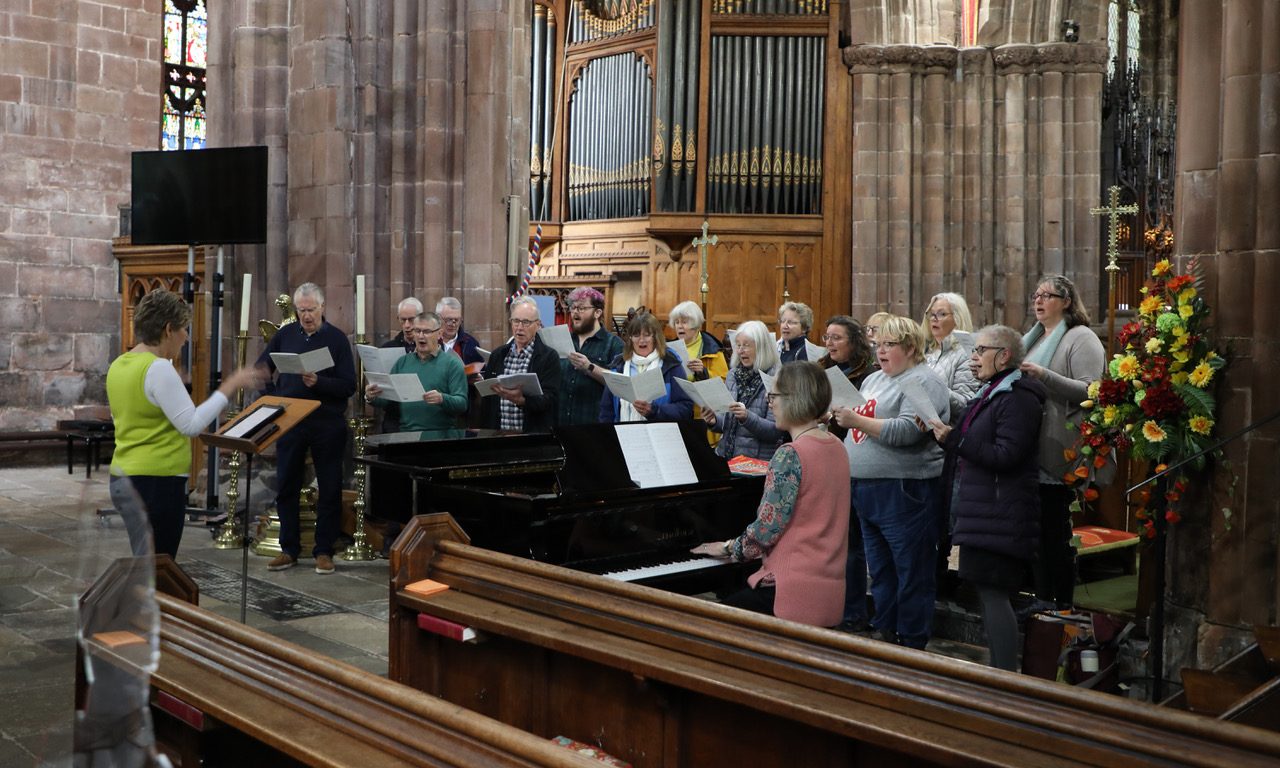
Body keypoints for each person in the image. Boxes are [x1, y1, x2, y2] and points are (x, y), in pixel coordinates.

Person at [106, 289, 262, 559]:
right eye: (184, 329)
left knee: (146, 561)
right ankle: (153, 603)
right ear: (168, 329)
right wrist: (230, 386)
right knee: (160, 567)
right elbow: (190, 425)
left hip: (124, 477)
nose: (187, 337)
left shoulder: (120, 363)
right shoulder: (158, 368)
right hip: (156, 482)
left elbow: (133, 415)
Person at [692, 362, 850, 627]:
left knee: (705, 625)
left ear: (793, 400)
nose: (770, 403)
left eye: (773, 396)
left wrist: (729, 547)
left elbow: (766, 529)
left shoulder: (791, 454)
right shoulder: (836, 447)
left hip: (791, 592)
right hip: (830, 591)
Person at [931, 325, 1046, 671]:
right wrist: (945, 437)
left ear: (1004, 355)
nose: (973, 358)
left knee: (995, 596)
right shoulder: (993, 391)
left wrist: (956, 440)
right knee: (987, 595)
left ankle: (1005, 678)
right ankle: (1000, 674)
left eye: (980, 350)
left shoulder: (1019, 398)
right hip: (984, 511)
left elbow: (1007, 455)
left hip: (1001, 514)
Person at [832, 315, 949, 649]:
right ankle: (886, 633)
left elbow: (907, 432)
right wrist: (839, 416)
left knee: (911, 570)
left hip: (903, 488)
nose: (880, 351)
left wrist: (856, 419)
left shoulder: (924, 381)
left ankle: (910, 642)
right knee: (881, 570)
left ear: (911, 347)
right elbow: (860, 426)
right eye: (878, 344)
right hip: (866, 488)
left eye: (889, 345)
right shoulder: (874, 380)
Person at [257, 282, 357, 575]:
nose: (306, 316)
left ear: (322, 307)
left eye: (311, 310)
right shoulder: (285, 335)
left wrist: (320, 383)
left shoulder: (336, 340)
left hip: (327, 422)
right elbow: (263, 366)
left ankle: (323, 551)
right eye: (301, 310)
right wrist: (272, 394)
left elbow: (349, 385)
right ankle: (289, 549)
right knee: (286, 483)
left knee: (329, 487)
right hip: (291, 419)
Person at [1021, 274, 1106, 610]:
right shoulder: (1034, 338)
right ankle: (1041, 598)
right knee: (1036, 532)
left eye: (1048, 295)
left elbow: (1092, 390)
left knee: (1054, 532)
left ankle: (1061, 604)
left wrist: (1044, 376)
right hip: (1031, 443)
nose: (1039, 301)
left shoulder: (1080, 338)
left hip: (1060, 446)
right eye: (1036, 294)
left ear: (1067, 301)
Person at [816, 315, 875, 632]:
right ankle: (831, 603)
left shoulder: (869, 374)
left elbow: (865, 418)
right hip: (827, 460)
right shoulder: (824, 369)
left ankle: (854, 611)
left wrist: (835, 417)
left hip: (854, 461)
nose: (829, 343)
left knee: (854, 545)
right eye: (827, 336)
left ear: (854, 341)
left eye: (837, 337)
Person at [366, 312, 468, 431]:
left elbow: (462, 404)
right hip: (406, 435)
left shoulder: (452, 364)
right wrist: (372, 397)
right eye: (417, 331)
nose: (420, 336)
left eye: (426, 332)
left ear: (439, 333)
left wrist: (442, 398)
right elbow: (389, 401)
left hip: (440, 436)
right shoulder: (403, 362)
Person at [704, 320, 786, 461]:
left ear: (761, 347)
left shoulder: (777, 378)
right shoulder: (733, 375)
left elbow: (776, 431)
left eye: (746, 345)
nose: (740, 350)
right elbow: (727, 422)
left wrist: (746, 417)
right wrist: (714, 421)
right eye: (738, 345)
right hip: (727, 457)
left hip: (757, 463)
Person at [479, 296, 560, 433]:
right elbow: (488, 402)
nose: (519, 327)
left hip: (531, 436)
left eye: (526, 322)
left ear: (538, 325)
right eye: (516, 321)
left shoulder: (549, 357)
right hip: (498, 434)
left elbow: (550, 400)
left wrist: (522, 400)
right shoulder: (498, 355)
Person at [598, 312, 692, 423]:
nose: (641, 340)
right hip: (625, 435)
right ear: (630, 339)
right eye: (636, 335)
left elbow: (686, 408)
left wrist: (654, 411)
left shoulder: (671, 365)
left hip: (660, 435)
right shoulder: (619, 365)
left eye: (647, 335)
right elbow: (606, 411)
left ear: (655, 338)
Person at [559, 287, 624, 425]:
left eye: (582, 308)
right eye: (573, 307)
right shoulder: (564, 340)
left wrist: (589, 367)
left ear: (597, 312)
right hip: (562, 424)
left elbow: (620, 384)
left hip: (593, 425)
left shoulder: (614, 344)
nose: (575, 312)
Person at [668, 300, 729, 444]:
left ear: (696, 324)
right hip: (678, 414)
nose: (680, 326)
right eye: (677, 322)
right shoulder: (669, 350)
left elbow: (725, 383)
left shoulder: (712, 350)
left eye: (685, 322)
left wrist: (704, 372)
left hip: (703, 417)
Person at [922, 292, 980, 421]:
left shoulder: (967, 354)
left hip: (946, 430)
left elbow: (966, 404)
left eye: (942, 314)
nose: (933, 319)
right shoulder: (925, 350)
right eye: (932, 314)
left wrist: (932, 388)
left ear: (958, 318)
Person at [375, 297, 422, 433]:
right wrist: (372, 395)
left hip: (421, 415)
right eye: (403, 320)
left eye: (411, 319)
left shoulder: (432, 348)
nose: (407, 325)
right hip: (394, 417)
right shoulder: (387, 348)